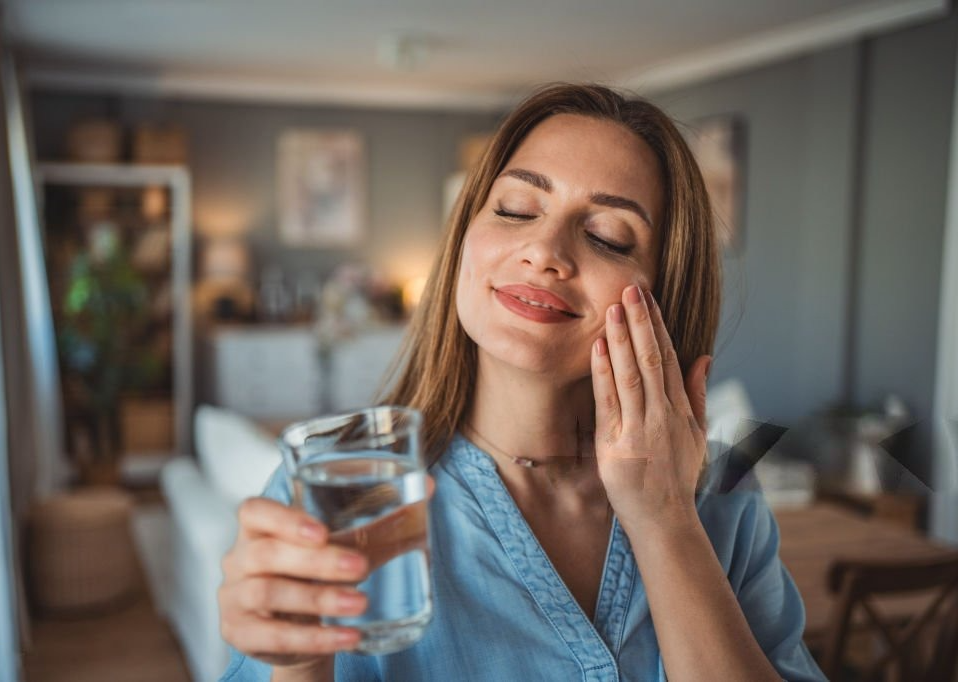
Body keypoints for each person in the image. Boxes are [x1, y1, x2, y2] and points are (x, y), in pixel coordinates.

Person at [218, 83, 827, 681]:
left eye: (607, 236)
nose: (544, 250)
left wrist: (665, 521)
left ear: (664, 297)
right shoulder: (340, 485)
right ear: (465, 236)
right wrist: (297, 666)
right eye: (514, 209)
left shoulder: (726, 505)